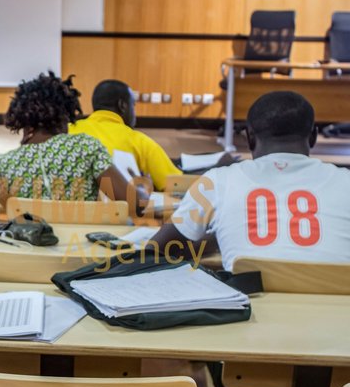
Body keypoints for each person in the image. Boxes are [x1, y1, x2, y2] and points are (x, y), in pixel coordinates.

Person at [149, 91, 350, 271]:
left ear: (249, 137)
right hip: (338, 309)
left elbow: (155, 251)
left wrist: (218, 238)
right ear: (314, 137)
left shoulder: (217, 181)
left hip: (253, 309)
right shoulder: (345, 181)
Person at [0, 72, 146, 210]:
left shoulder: (4, 164)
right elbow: (135, 205)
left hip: (27, 242)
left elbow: (13, 213)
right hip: (80, 240)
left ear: (22, 118)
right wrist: (141, 187)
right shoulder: (86, 148)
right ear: (66, 114)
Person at [68, 79, 181, 192]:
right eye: (133, 105)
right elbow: (176, 185)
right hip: (120, 207)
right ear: (122, 105)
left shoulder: (67, 131)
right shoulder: (139, 141)